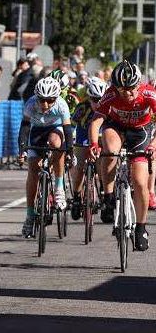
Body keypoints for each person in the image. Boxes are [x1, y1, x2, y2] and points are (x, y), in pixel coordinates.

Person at [88, 60, 156, 251]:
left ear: (139, 84)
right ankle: (108, 196)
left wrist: (153, 144)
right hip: (116, 127)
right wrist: (94, 144)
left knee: (140, 181)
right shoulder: (110, 94)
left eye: (131, 88)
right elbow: (96, 122)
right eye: (122, 89)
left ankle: (141, 227)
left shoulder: (149, 93)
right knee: (110, 151)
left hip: (140, 131)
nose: (127, 93)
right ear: (115, 87)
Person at [18, 77, 73, 238]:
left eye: (50, 100)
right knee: (33, 170)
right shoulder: (30, 104)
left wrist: (69, 151)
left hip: (56, 129)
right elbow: (24, 128)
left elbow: (67, 130)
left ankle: (59, 187)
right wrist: (22, 150)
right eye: (42, 100)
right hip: (36, 132)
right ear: (37, 97)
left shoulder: (62, 105)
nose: (46, 104)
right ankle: (30, 215)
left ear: (56, 98)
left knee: (56, 144)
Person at [69, 77, 107, 220]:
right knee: (79, 167)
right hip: (83, 137)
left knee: (103, 164)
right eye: (95, 100)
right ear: (89, 98)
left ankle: (104, 193)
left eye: (100, 100)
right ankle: (77, 197)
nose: (98, 103)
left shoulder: (109, 106)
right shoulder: (82, 107)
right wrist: (69, 140)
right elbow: (71, 125)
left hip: (101, 137)